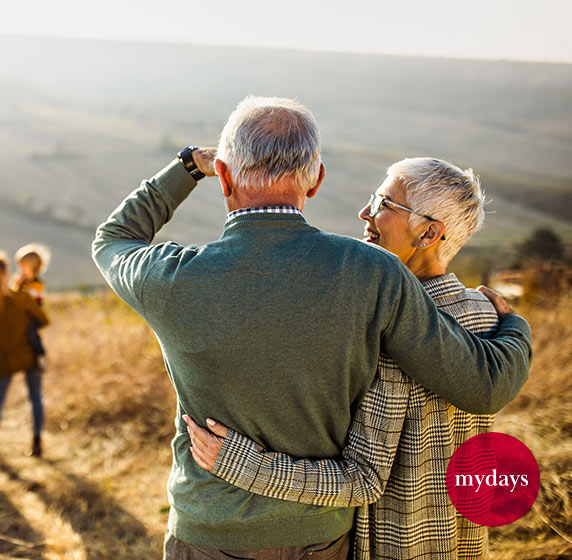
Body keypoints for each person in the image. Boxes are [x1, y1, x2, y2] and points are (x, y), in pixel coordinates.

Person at [91, 96, 532, 559]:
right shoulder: (374, 272)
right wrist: (513, 323)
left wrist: (187, 168)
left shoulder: (170, 277)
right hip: (324, 538)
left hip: (209, 534)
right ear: (316, 180)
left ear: (224, 176)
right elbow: (482, 385)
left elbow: (114, 239)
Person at [186, 157, 505, 559]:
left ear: (428, 233)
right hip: (462, 542)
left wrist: (241, 464)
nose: (365, 212)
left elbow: (363, 480)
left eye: (385, 204)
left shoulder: (389, 336)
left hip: (396, 546)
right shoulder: (487, 312)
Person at [0, 250, 49, 459]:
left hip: (2, 356)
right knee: (35, 398)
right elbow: (43, 320)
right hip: (28, 353)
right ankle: (37, 443)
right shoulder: (21, 298)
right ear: (4, 274)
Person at [13, 243, 51, 371]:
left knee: (31, 332)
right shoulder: (21, 282)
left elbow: (31, 300)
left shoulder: (37, 284)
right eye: (20, 267)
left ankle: (40, 354)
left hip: (33, 315)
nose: (21, 270)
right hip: (22, 315)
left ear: (34, 268)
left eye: (24, 267)